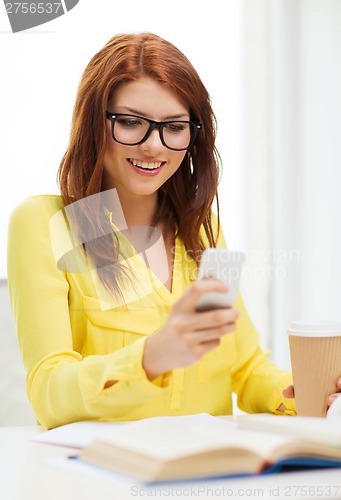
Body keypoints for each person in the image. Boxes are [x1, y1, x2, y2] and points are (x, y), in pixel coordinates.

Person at [7, 32, 340, 429]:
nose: (154, 146)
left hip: (207, 476)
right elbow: (48, 391)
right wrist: (150, 357)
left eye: (175, 127)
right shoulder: (48, 223)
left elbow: (246, 370)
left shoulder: (203, 229)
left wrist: (312, 394)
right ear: (93, 122)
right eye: (130, 122)